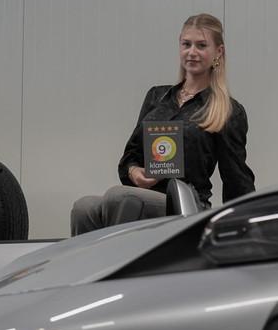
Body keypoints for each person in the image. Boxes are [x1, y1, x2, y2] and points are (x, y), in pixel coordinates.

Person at [70, 13, 255, 236]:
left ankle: (126, 257)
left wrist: (244, 229)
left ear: (218, 52)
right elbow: (130, 157)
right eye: (186, 44)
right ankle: (94, 259)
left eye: (201, 45)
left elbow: (236, 178)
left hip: (187, 204)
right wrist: (134, 172)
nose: (192, 52)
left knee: (118, 197)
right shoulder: (156, 97)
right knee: (84, 207)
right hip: (140, 196)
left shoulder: (227, 110)